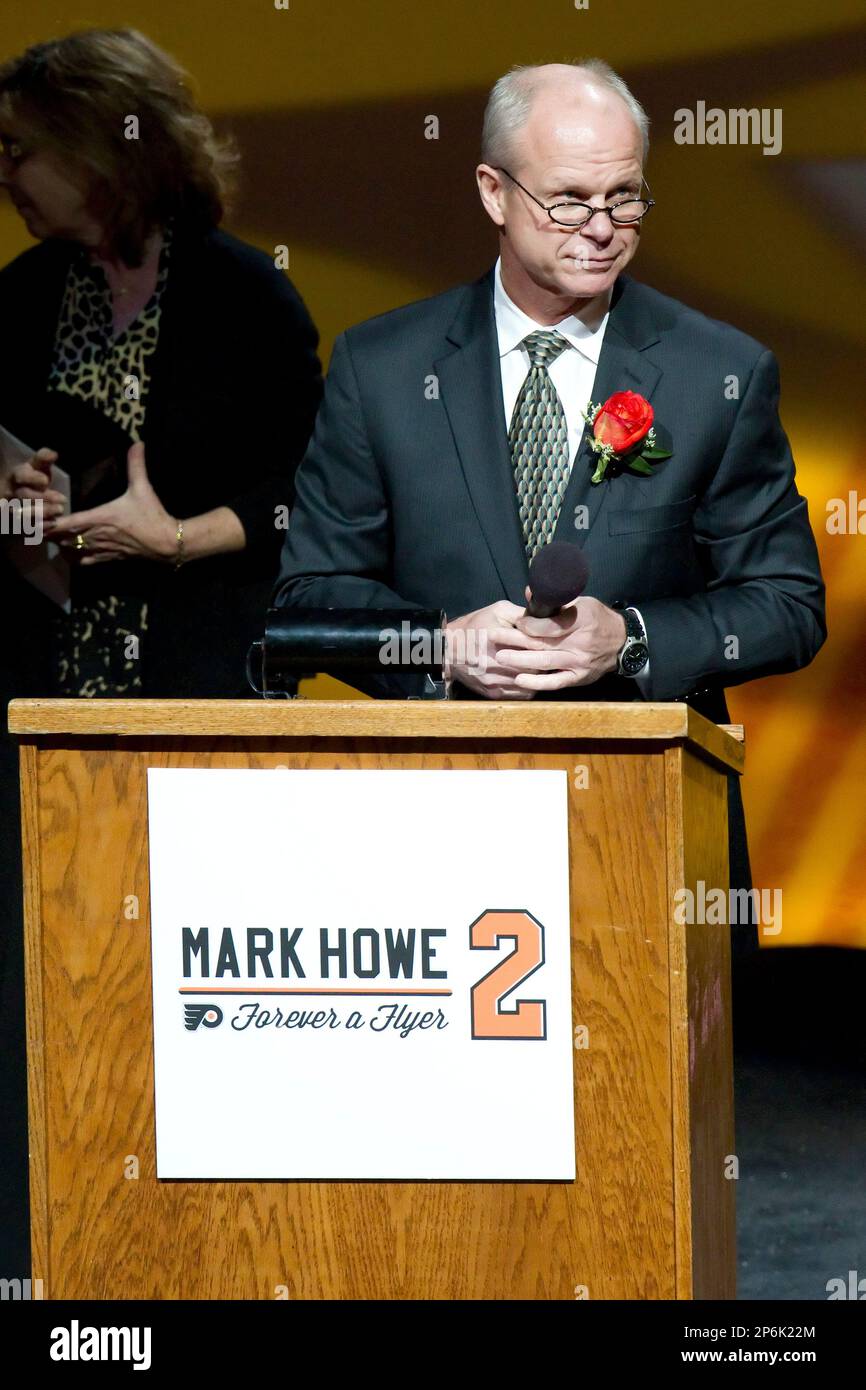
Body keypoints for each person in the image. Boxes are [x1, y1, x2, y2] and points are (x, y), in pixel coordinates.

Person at [272, 60, 827, 954]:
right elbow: (310, 599)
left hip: (642, 833)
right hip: (424, 832)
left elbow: (788, 606)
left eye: (626, 197)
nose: (603, 228)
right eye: (569, 199)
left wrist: (632, 639)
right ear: (494, 191)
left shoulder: (716, 373)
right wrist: (439, 644)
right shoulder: (381, 367)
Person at [0, 28, 322, 701]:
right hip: (36, 675)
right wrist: (9, 500)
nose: (5, 173)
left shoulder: (246, 296)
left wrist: (178, 539)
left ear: (94, 150)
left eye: (18, 151)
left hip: (202, 667)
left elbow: (310, 488)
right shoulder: (19, 295)